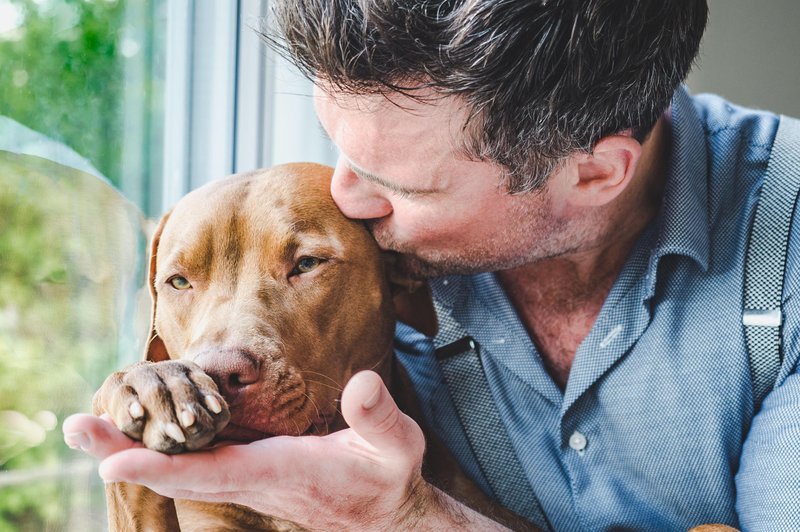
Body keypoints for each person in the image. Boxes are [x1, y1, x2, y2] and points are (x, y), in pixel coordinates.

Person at [63, 0, 800, 529]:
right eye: (341, 148)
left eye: (401, 184)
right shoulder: (364, 270)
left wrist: (408, 519)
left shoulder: (784, 249)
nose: (345, 196)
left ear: (595, 174)